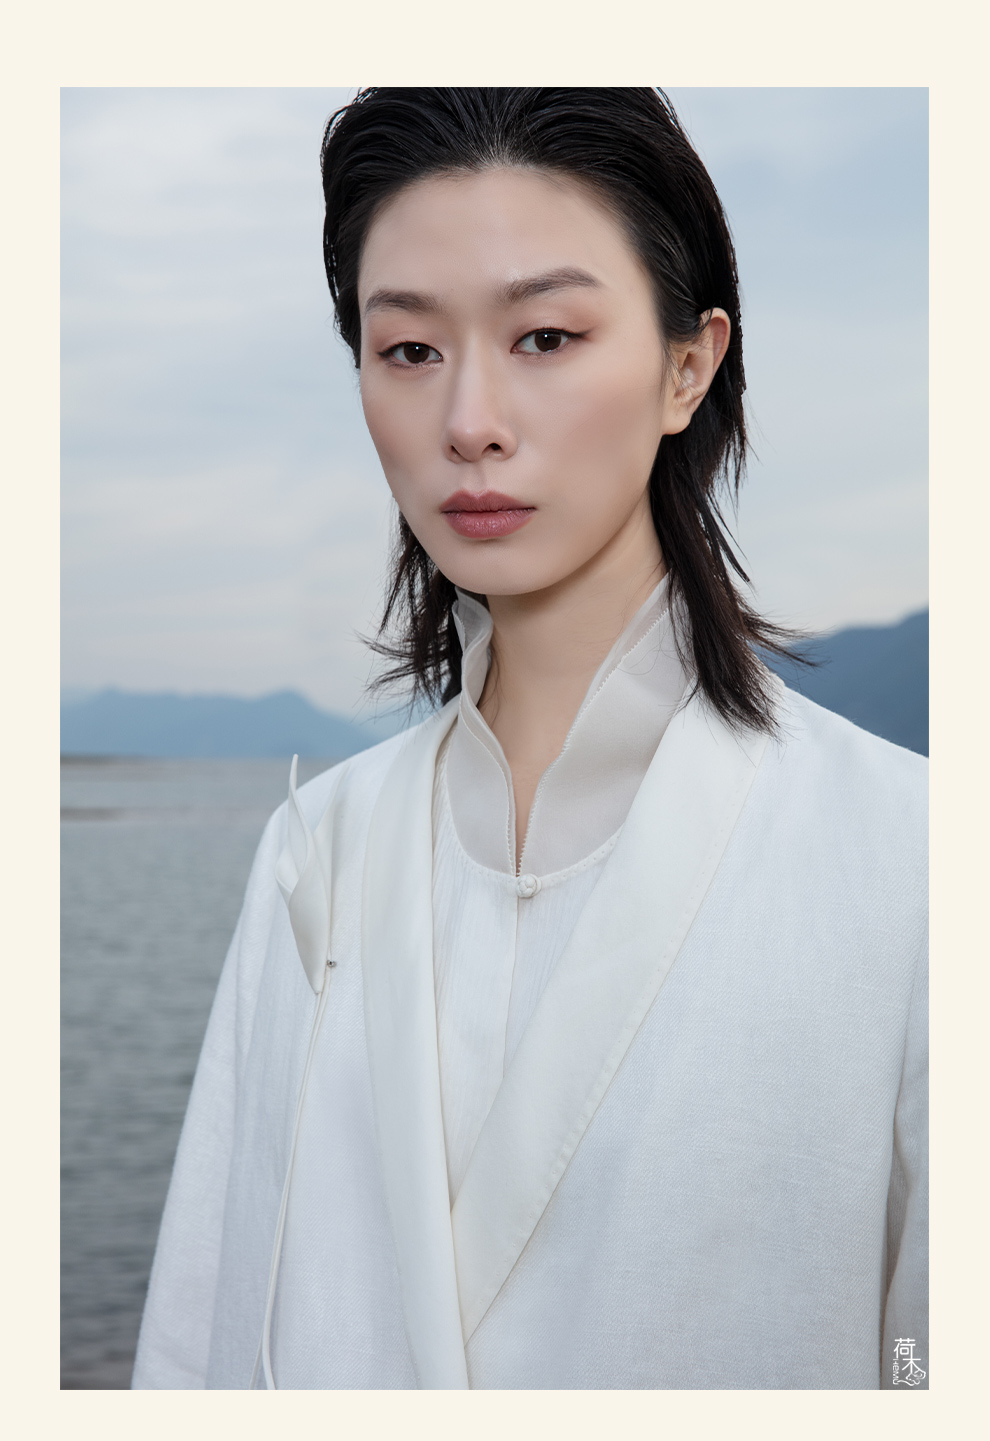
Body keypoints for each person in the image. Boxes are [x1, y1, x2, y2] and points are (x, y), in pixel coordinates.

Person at [131, 88, 927, 1391]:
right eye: (408, 349)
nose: (469, 420)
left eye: (546, 335)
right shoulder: (316, 849)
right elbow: (201, 1355)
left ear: (688, 365)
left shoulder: (911, 859)